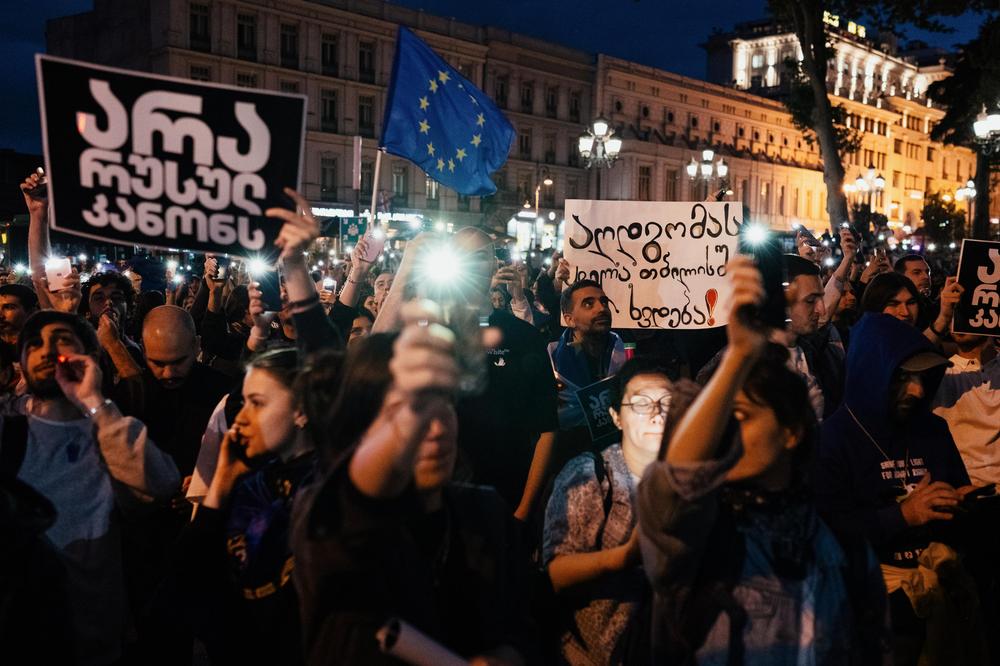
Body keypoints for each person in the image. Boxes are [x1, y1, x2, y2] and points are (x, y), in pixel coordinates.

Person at [638, 257, 888, 663]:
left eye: (742, 417)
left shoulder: (842, 547)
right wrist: (738, 356)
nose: (725, 432)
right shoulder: (699, 537)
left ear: (792, 431)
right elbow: (672, 483)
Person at [292, 303, 534, 665]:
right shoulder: (324, 515)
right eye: (406, 414)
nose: (435, 430)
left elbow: (529, 620)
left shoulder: (486, 512)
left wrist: (509, 654)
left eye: (443, 407)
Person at [0, 310, 179, 664]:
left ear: (91, 357)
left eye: (61, 340)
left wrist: (96, 404)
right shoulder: (7, 429)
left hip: (93, 635)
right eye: (34, 344)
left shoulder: (108, 428)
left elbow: (160, 483)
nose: (46, 350)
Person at [816, 312, 984, 664]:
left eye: (923, 377)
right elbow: (827, 533)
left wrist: (960, 508)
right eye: (902, 378)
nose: (918, 390)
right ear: (870, 373)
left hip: (942, 584)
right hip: (872, 602)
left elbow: (954, 491)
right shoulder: (832, 440)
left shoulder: (931, 430)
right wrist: (902, 515)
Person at [375, 228, 559, 522]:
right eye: (462, 257)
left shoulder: (522, 335)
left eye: (481, 257)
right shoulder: (429, 328)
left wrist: (523, 511)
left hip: (504, 500)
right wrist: (407, 268)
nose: (472, 264)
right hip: (432, 499)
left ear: (494, 266)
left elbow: (547, 428)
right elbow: (375, 354)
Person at [172, 348, 332, 666]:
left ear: (301, 410)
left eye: (257, 403)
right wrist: (221, 482)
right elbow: (186, 575)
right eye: (243, 402)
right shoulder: (254, 480)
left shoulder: (328, 491)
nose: (242, 418)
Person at [542, 359, 697, 664]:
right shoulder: (590, 475)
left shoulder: (693, 482)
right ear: (616, 417)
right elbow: (554, 574)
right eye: (640, 403)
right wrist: (625, 556)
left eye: (668, 402)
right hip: (596, 653)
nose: (657, 413)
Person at [548, 279, 626, 434]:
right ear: (569, 319)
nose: (602, 308)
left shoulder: (624, 352)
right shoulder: (552, 360)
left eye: (604, 302)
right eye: (589, 304)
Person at [931, 332, 1000, 487]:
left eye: (966, 310)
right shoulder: (941, 373)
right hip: (963, 490)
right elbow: (900, 360)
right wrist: (939, 325)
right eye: (955, 313)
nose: (958, 320)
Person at [861, 271, 963, 346]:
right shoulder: (867, 344)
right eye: (893, 304)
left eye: (911, 303)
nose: (906, 312)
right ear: (875, 305)